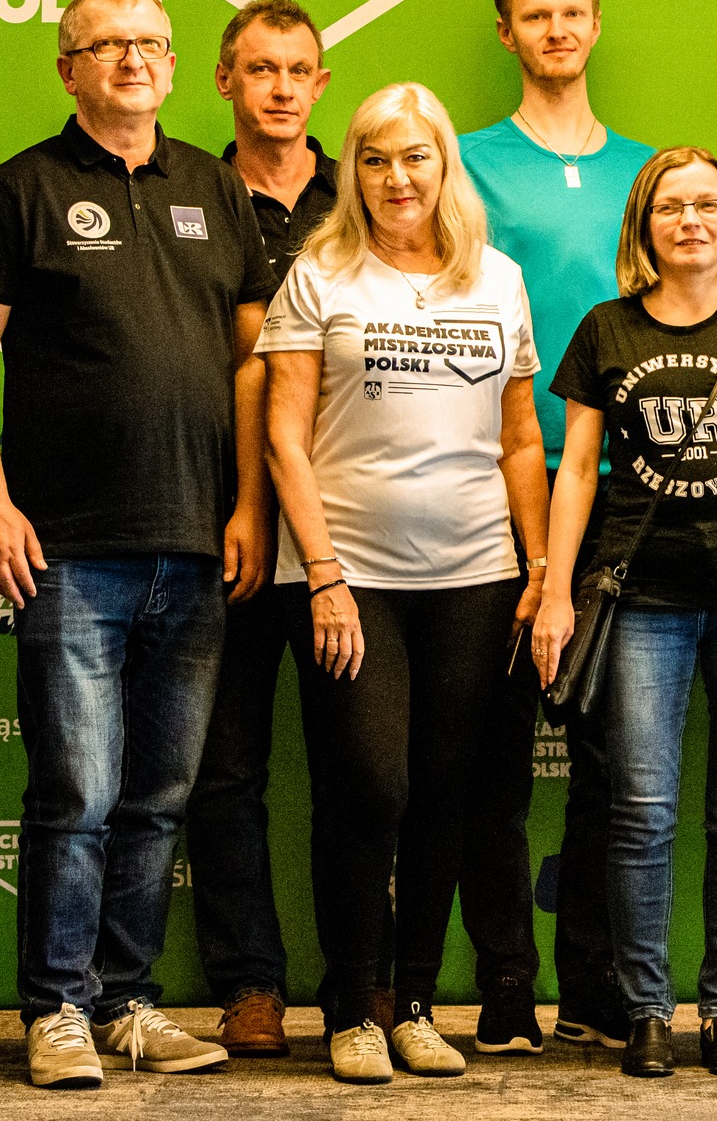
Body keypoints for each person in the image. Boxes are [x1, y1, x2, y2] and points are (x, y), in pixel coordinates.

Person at [0, 0, 273, 1087]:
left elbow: (253, 363)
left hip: (197, 542)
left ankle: (127, 1001)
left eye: (150, 43)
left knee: (159, 796)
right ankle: (57, 1010)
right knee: (76, 794)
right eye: (108, 43)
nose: (133, 59)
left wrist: (251, 503)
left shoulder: (215, 186)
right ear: (67, 66)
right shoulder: (23, 188)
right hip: (69, 549)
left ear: (175, 65)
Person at [259, 82, 551, 1084]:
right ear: (354, 170)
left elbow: (521, 437)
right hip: (350, 573)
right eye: (376, 159)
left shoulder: (497, 279)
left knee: (442, 792)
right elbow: (284, 434)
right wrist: (323, 574)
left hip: (476, 572)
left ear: (443, 167)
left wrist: (538, 563)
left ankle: (416, 1003)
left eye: (415, 157)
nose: (396, 178)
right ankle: (352, 1005)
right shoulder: (320, 274)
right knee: (368, 784)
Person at [534, 146, 717, 1079]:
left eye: (709, 204)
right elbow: (576, 472)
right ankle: (646, 1013)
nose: (691, 221)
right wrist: (555, 591)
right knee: (642, 811)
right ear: (644, 224)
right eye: (671, 207)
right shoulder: (606, 328)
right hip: (643, 600)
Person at [457, 0, 655, 1054]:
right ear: (507, 32)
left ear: (597, 21)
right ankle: (504, 986)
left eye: (572, 10)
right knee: (490, 761)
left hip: (626, 499)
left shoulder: (648, 171)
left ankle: (592, 985)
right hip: (496, 490)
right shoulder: (464, 163)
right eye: (536, 14)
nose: (557, 29)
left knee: (612, 762)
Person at [184, 0, 337, 1059]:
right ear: (225, 80)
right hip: (223, 518)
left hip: (350, 522)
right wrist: (241, 503)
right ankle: (249, 984)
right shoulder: (188, 192)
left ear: (320, 85)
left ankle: (365, 982)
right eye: (260, 68)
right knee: (225, 766)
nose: (280, 87)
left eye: (297, 70)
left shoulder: (363, 191)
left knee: (355, 765)